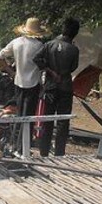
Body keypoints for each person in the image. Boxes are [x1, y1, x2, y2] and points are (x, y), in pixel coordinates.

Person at [34, 18, 80, 156]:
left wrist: (50, 71)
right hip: (65, 88)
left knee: (47, 120)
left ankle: (43, 152)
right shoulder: (74, 49)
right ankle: (59, 153)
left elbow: (36, 59)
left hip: (50, 87)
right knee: (63, 121)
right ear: (74, 33)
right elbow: (73, 67)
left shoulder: (49, 45)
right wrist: (61, 73)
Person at [0, 17, 47, 119]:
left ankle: (17, 132)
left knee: (19, 110)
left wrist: (11, 72)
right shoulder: (40, 46)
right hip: (34, 83)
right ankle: (26, 133)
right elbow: (43, 66)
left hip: (19, 81)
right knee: (30, 113)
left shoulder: (16, 42)